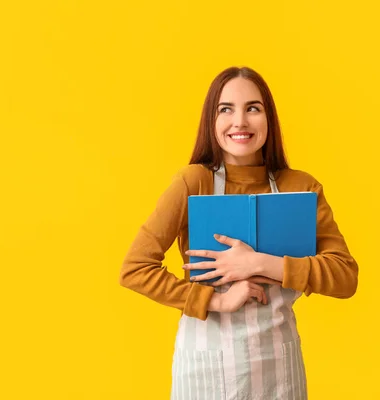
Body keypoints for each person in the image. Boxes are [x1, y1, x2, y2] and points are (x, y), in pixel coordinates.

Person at [119, 66, 358, 400]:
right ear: (211, 121)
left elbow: (345, 276)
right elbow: (134, 269)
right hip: (206, 368)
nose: (240, 122)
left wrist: (259, 263)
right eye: (226, 109)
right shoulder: (193, 183)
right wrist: (216, 299)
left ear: (269, 119)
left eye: (253, 108)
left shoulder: (300, 188)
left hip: (279, 368)